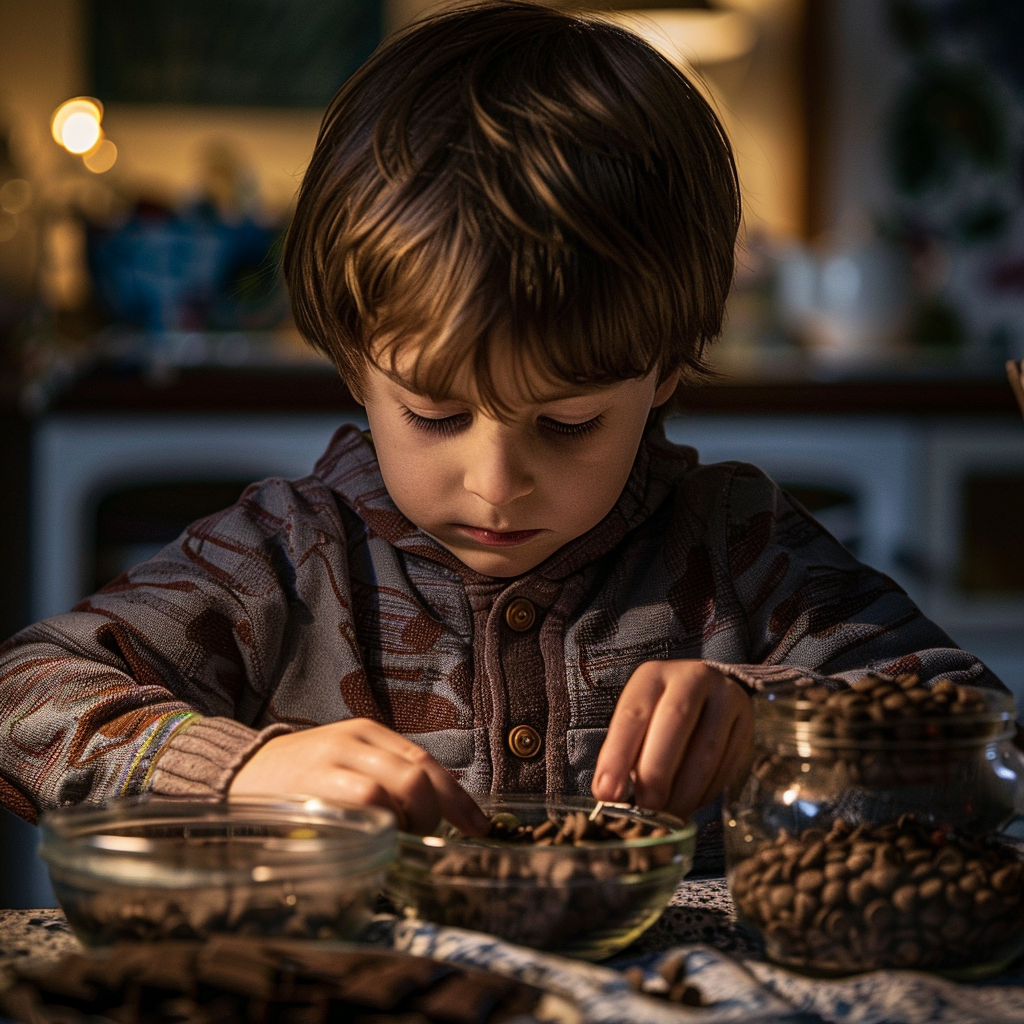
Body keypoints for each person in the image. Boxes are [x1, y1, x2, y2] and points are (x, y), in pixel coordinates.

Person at [0, 1, 1001, 851]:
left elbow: (988, 745)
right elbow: (20, 698)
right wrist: (244, 765)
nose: (495, 480)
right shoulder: (286, 556)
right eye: (434, 413)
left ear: (665, 369)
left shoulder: (741, 551)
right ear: (354, 361)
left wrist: (779, 728)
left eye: (568, 422)